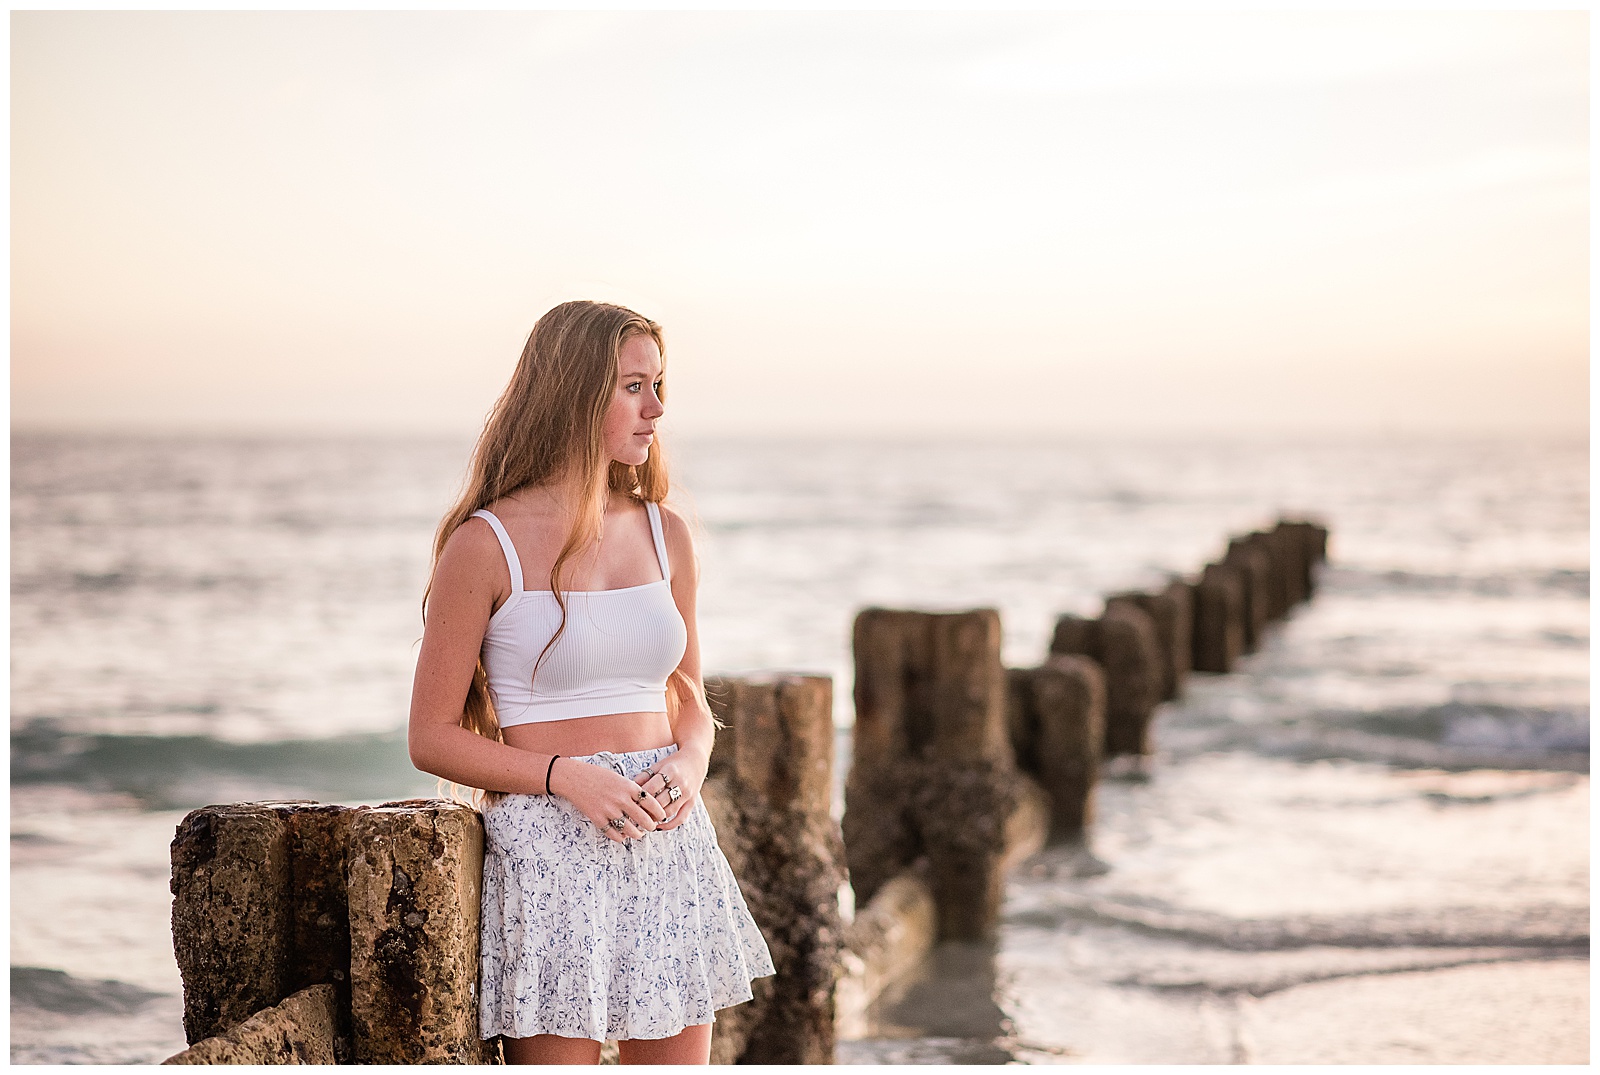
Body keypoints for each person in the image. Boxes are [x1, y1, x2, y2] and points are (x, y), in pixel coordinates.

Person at [407, 300, 774, 1065]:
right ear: (577, 395)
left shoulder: (665, 534)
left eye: (659, 384)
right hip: (549, 850)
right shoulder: (485, 545)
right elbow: (431, 735)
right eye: (635, 386)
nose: (658, 408)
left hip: (668, 842)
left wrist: (691, 761)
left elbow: (689, 699)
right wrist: (565, 778)